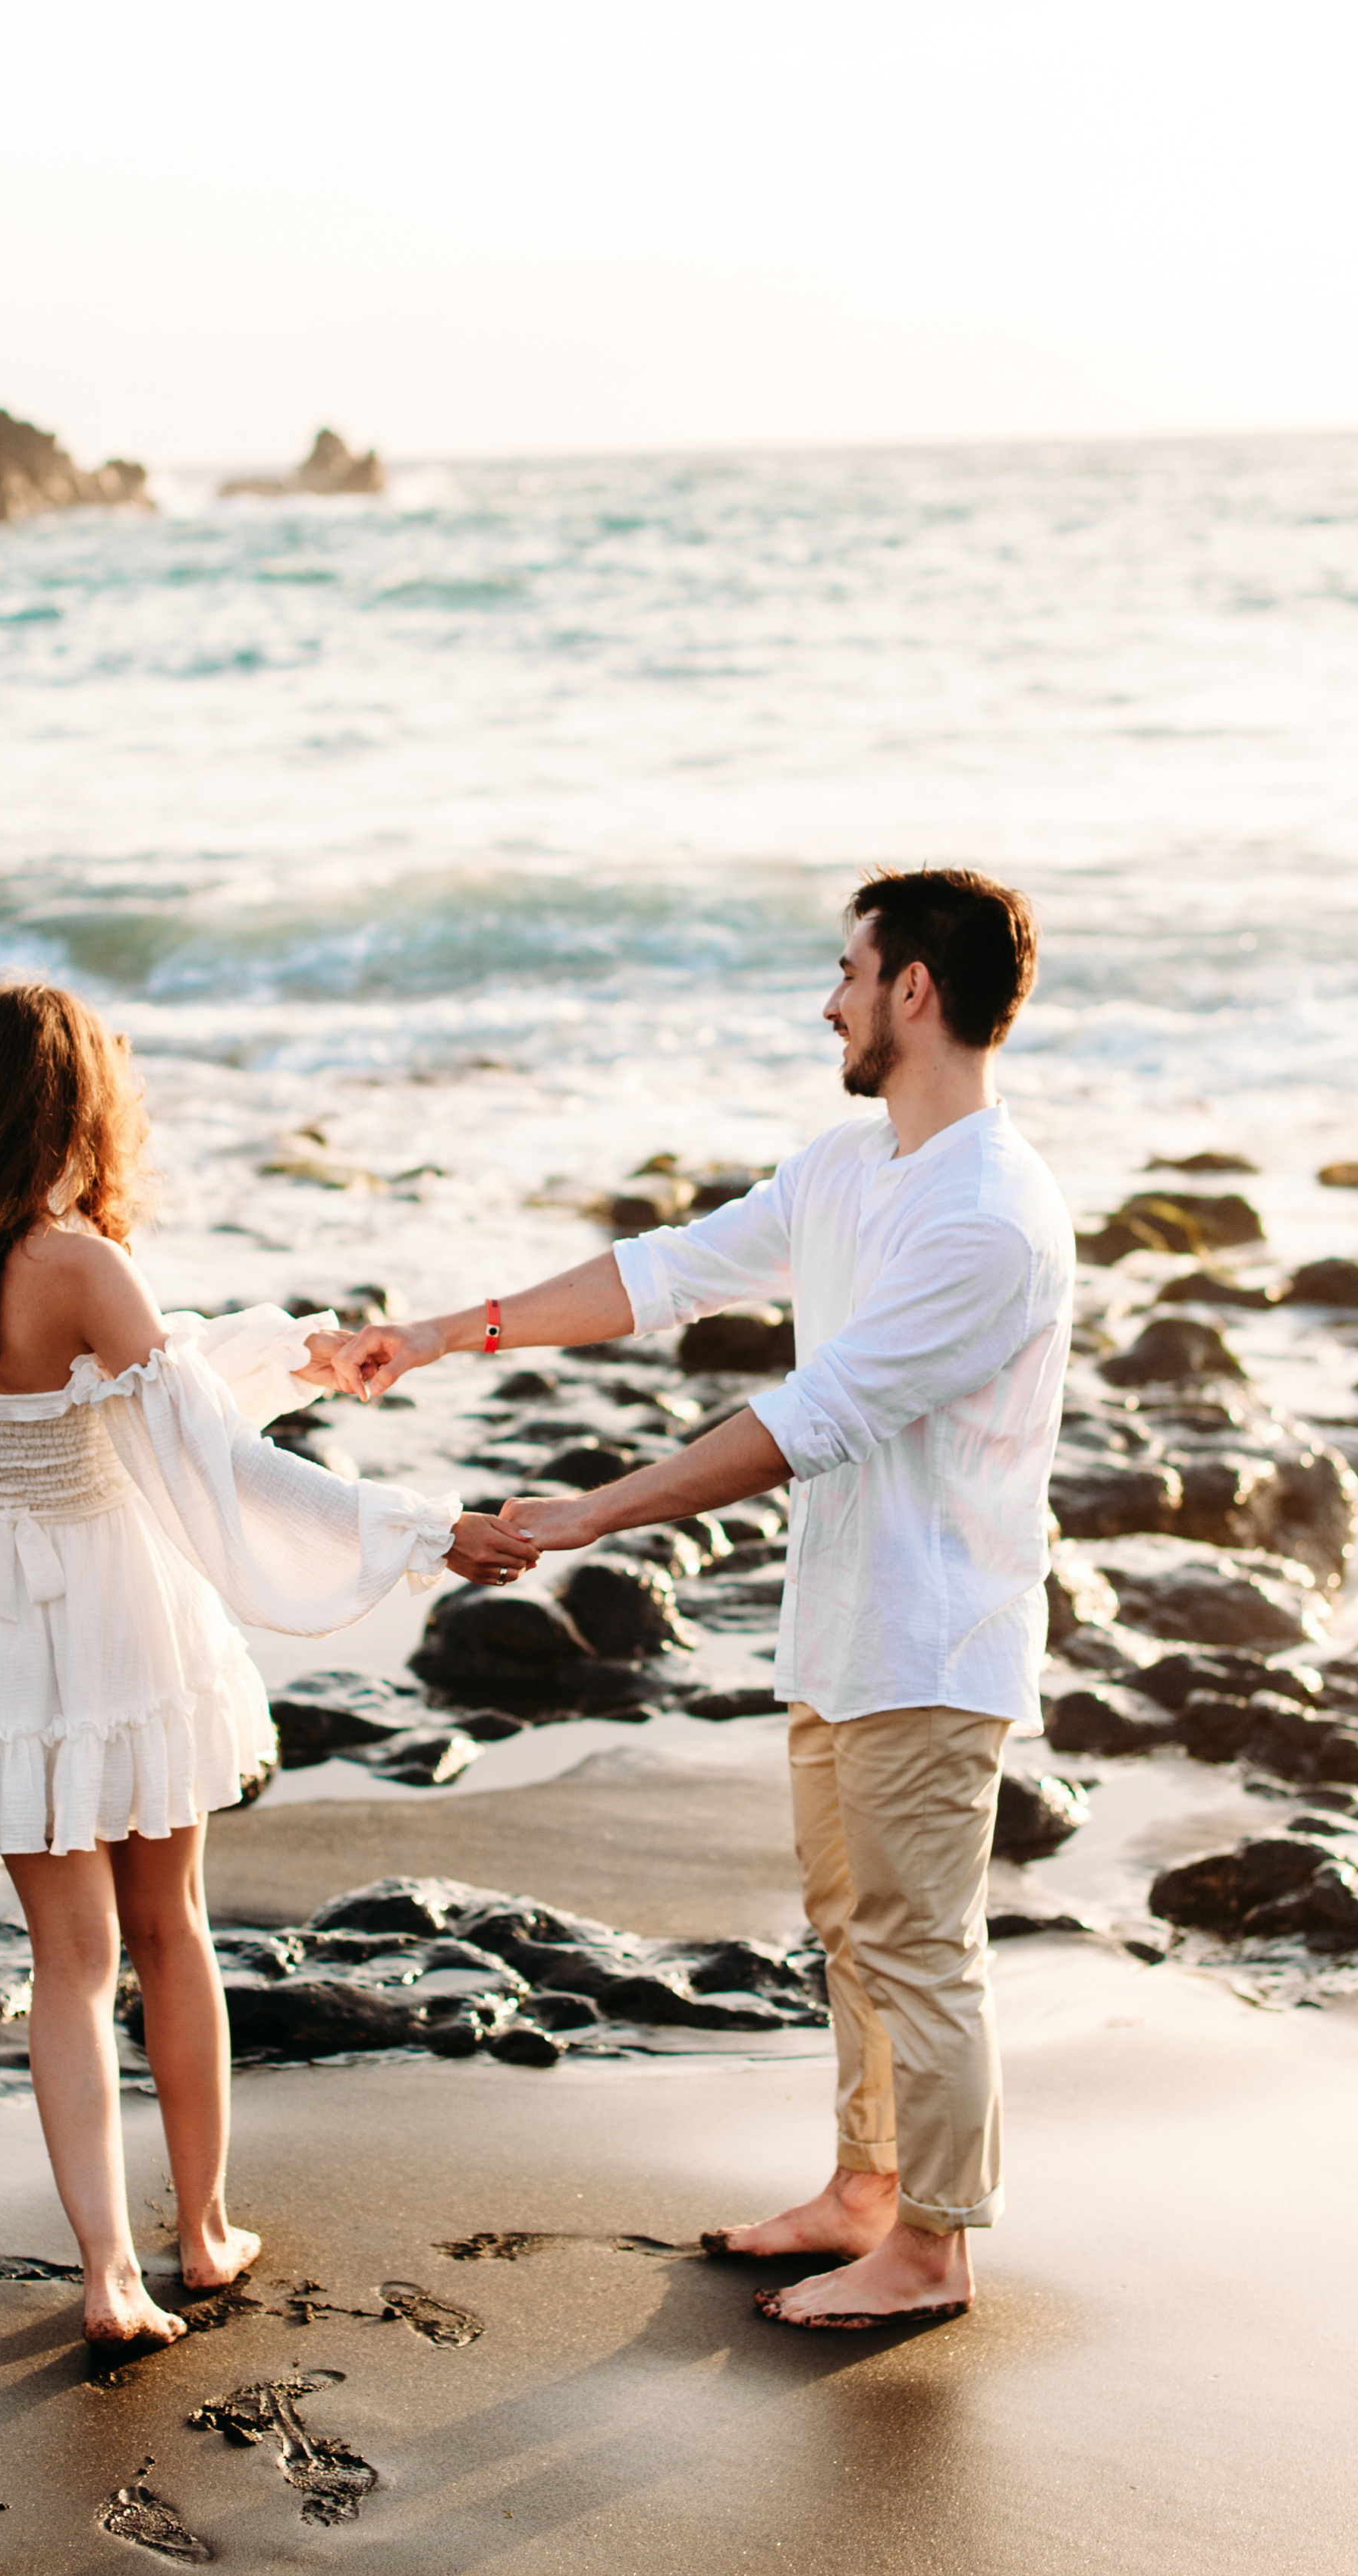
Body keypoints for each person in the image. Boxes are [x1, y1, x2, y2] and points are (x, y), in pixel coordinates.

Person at [325, 869, 1073, 2333]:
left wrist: (595, 1514)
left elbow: (817, 1416)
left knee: (923, 1948)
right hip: (844, 1629)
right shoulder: (855, 1167)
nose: (830, 999)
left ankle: (935, 2249)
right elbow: (662, 1274)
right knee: (853, 1926)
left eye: (850, 970)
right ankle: (866, 2192)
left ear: (914, 990)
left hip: (937, 1639)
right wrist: (437, 1335)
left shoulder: (992, 1216)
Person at [0, 982, 536, 2349]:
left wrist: (302, 1348)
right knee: (168, 1928)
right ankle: (204, 2233)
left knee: (66, 1958)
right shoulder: (81, 1269)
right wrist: (417, 1530)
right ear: (75, 1108)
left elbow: (148, 1397)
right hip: (112, 1606)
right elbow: (209, 1455)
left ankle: (106, 2273)